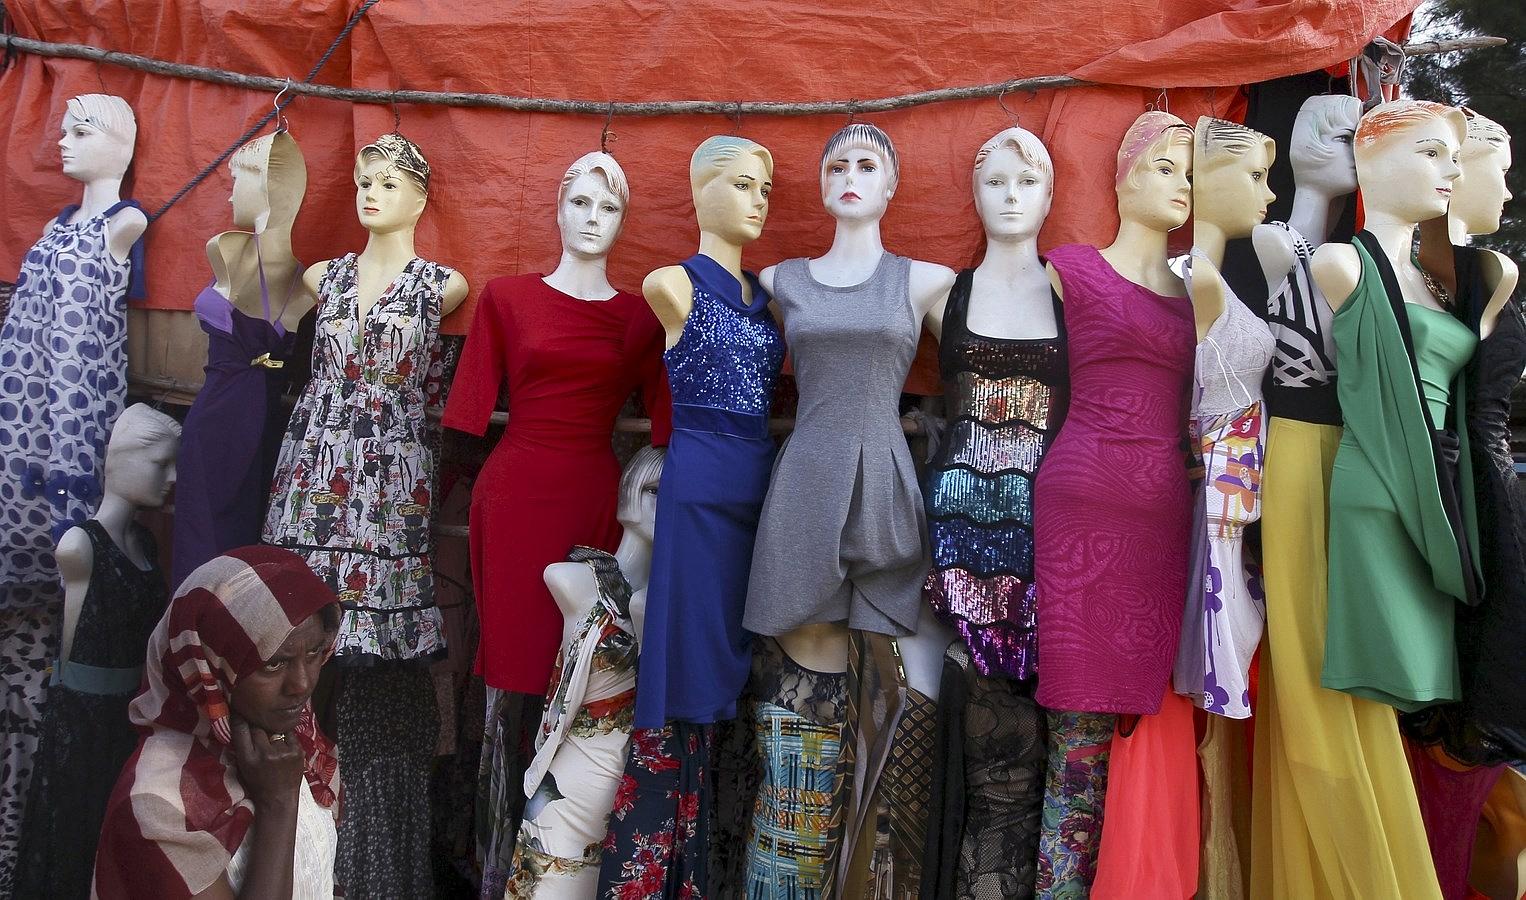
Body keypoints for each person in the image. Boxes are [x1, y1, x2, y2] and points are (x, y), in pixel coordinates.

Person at [93, 546, 343, 900]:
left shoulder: (287, 744)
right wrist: (278, 805)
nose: (302, 685)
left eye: (316, 652)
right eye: (274, 663)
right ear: (208, 665)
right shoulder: (158, 804)